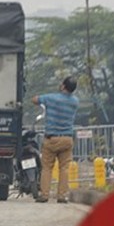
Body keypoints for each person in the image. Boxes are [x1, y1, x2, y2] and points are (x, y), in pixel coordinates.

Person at [32, 75, 79, 203]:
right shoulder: (75, 101)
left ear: (63, 86)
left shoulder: (51, 98)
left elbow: (35, 100)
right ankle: (62, 196)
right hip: (67, 139)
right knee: (64, 168)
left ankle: (45, 195)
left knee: (47, 167)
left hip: (52, 139)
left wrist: (40, 98)